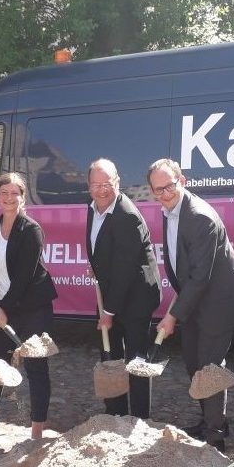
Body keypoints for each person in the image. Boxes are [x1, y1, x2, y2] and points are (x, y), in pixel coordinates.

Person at [147, 158, 234, 451]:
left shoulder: (200, 217)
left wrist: (172, 316)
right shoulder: (169, 211)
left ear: (183, 180)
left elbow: (200, 277)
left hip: (218, 302)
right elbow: (187, 272)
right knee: (193, 363)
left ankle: (216, 436)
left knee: (209, 368)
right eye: (158, 190)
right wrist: (178, 311)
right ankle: (209, 420)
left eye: (169, 186)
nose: (164, 194)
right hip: (195, 300)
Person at [0, 172, 58, 441]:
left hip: (33, 308)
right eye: (3, 193)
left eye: (14, 193)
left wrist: (5, 308)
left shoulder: (31, 230)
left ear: (22, 197)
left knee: (36, 367)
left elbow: (24, 276)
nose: (9, 198)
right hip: (4, 304)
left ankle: (37, 430)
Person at [86, 158, 161, 418]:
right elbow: (105, 252)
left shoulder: (126, 215)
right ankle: (115, 414)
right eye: (96, 184)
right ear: (88, 186)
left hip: (136, 298)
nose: (102, 189)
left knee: (136, 363)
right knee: (110, 357)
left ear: (118, 182)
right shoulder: (93, 208)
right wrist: (97, 266)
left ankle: (139, 421)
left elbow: (125, 269)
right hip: (112, 294)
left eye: (107, 183)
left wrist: (108, 311)